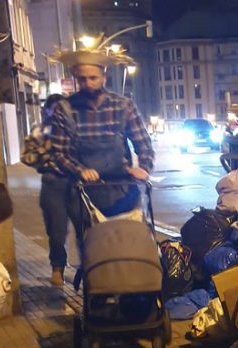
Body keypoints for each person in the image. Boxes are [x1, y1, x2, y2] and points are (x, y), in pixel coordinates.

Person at [49, 48, 154, 268]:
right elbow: (59, 153)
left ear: (104, 76)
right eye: (82, 79)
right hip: (84, 194)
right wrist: (79, 170)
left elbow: (143, 144)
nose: (87, 83)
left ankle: (130, 290)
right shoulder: (65, 109)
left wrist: (143, 168)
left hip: (123, 189)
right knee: (92, 249)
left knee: (127, 244)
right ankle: (97, 290)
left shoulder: (123, 106)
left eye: (93, 78)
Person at [23, 94, 69, 286]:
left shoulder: (73, 128)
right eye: (54, 108)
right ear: (48, 110)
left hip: (75, 182)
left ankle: (90, 268)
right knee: (56, 231)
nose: (58, 112)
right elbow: (26, 157)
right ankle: (57, 267)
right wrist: (46, 149)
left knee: (87, 229)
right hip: (52, 183)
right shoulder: (39, 131)